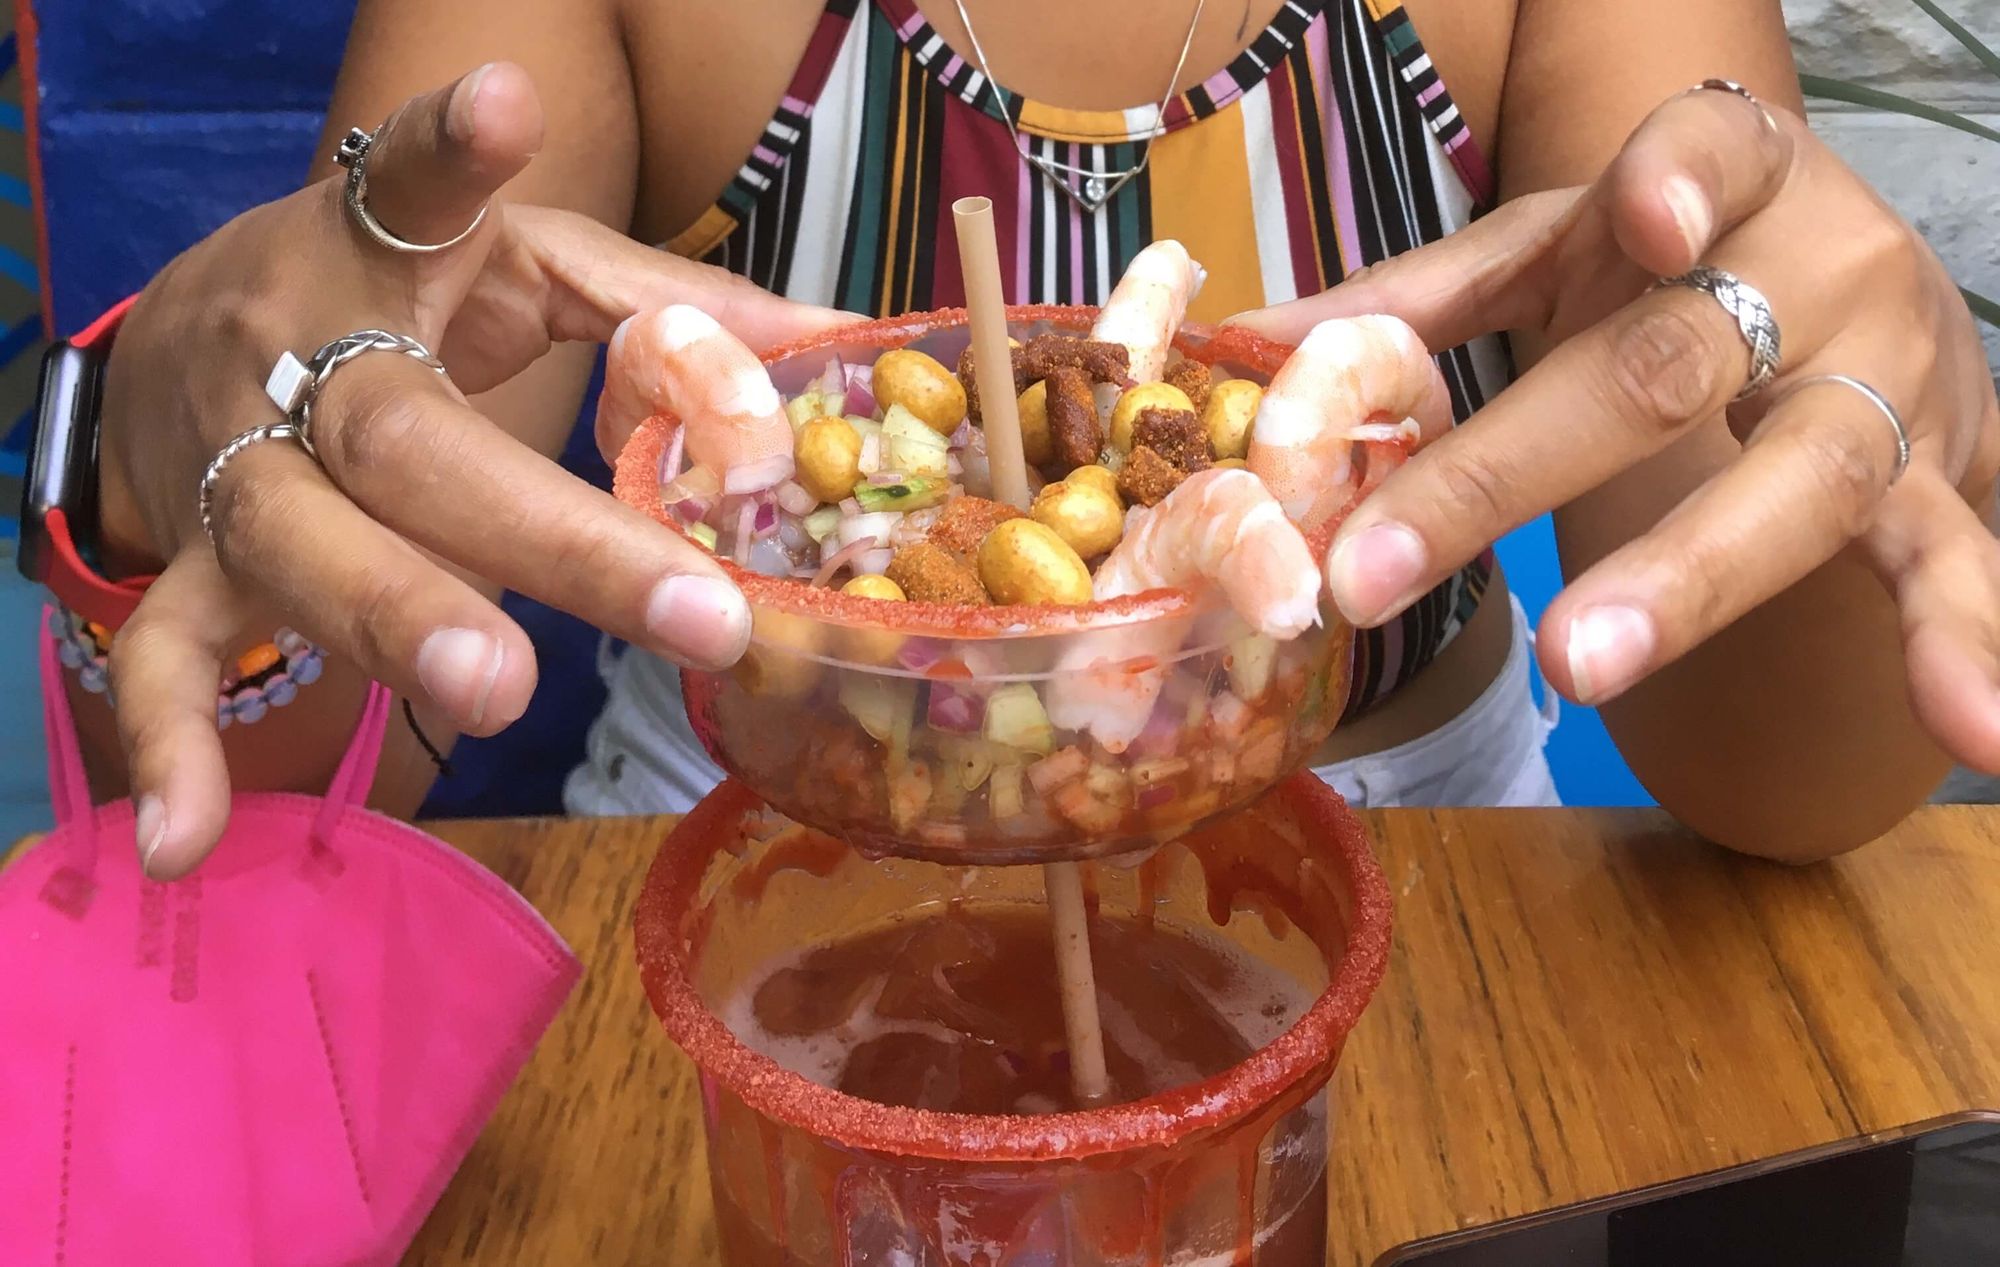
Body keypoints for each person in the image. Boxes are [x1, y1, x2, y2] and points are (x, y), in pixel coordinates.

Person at [62, 0, 1999, 880]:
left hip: (1408, 903)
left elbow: (1774, 779)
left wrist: (1862, 422)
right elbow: (314, 756)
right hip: (756, 871)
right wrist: (154, 486)